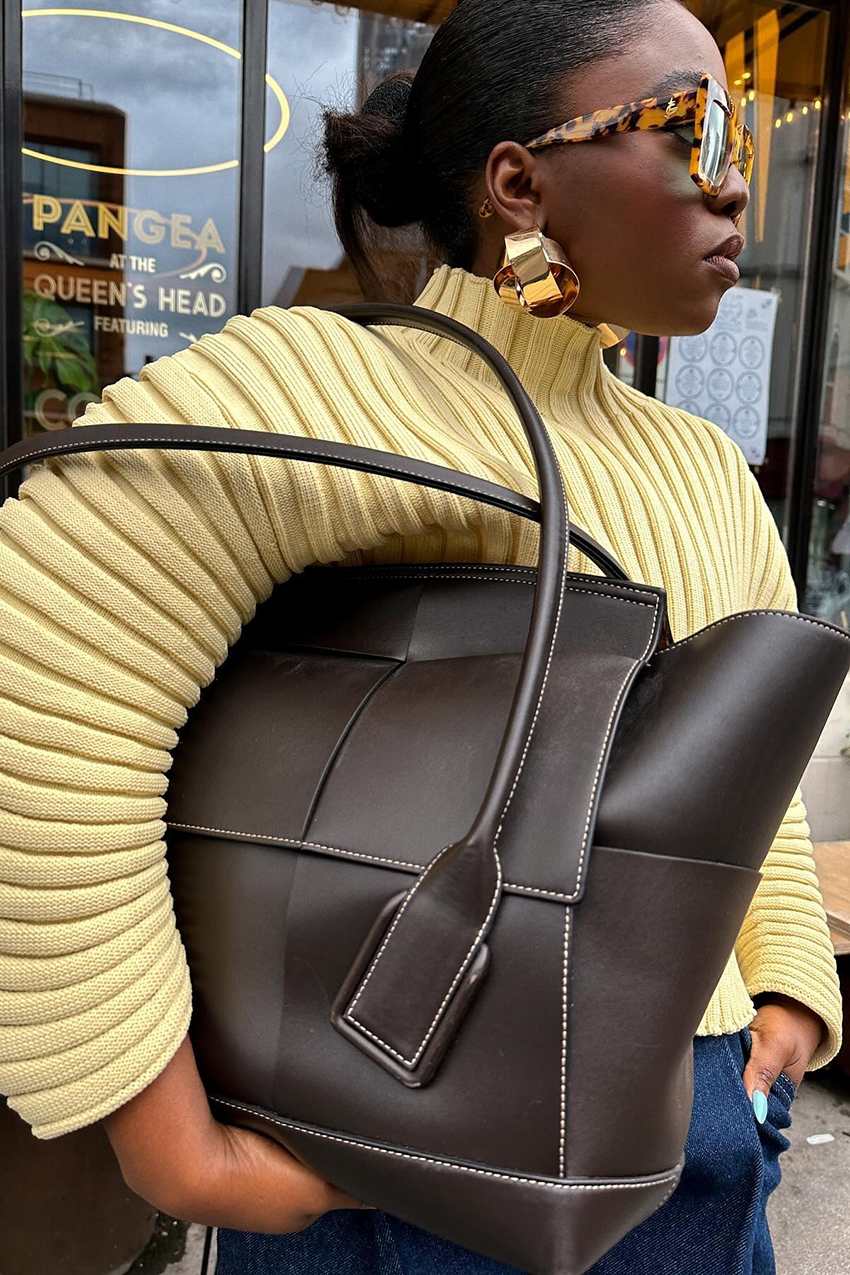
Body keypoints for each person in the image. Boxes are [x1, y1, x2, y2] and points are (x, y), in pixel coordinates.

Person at [0, 1, 840, 1272]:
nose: (733, 183)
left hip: (701, 1122)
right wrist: (158, 1137)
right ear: (519, 183)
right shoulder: (324, 390)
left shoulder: (706, 468)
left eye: (736, 136)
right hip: (401, 1135)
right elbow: (43, 726)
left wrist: (785, 994)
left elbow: (748, 779)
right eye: (692, 128)